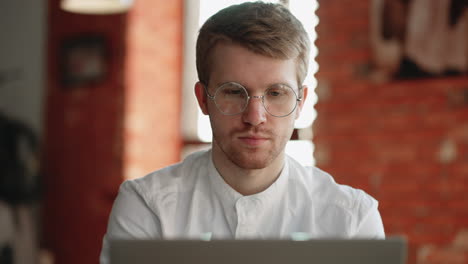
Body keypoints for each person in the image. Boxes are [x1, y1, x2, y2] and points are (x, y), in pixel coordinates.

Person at [100, 2, 385, 263]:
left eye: (276, 93)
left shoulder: (351, 220)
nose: (255, 117)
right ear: (203, 99)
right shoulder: (148, 206)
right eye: (234, 92)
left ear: (300, 103)